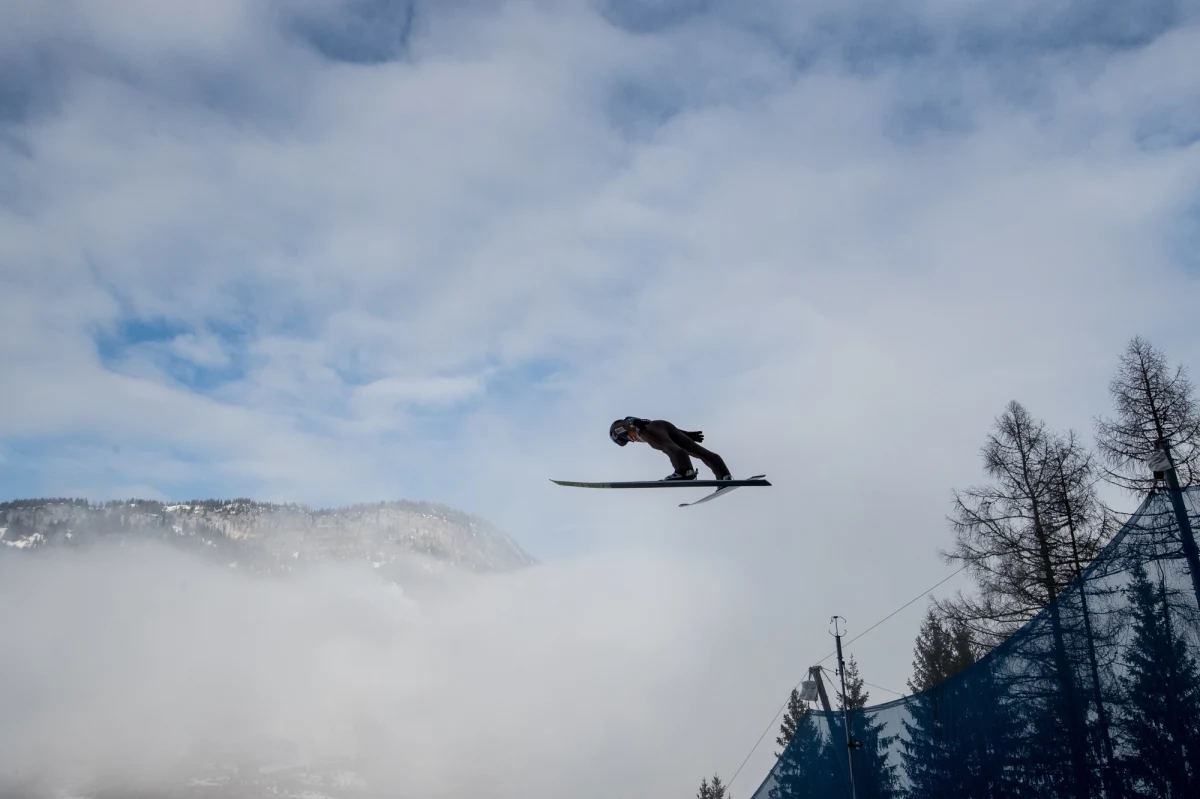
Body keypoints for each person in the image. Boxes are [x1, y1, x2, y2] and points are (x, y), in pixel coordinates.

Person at [609, 417, 732, 481]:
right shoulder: (631, 430)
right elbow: (664, 432)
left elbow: (626, 424)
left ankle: (684, 471)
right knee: (697, 450)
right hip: (663, 425)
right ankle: (723, 475)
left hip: (646, 429)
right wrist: (686, 435)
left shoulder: (617, 428)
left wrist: (634, 422)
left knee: (667, 447)